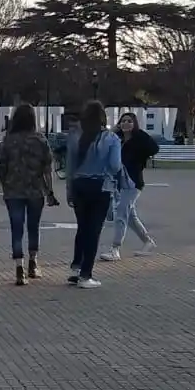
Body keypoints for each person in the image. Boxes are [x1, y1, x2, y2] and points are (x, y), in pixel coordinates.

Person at [0, 103, 57, 285]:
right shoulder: (40, 140)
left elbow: (2, 169)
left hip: (13, 190)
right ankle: (33, 263)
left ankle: (18, 268)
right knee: (33, 227)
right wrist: (50, 191)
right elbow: (47, 169)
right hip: (35, 190)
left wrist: (4, 188)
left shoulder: (8, 141)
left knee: (16, 229)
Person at [65, 99, 123, 288]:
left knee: (82, 227)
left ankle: (77, 266)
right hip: (100, 185)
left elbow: (70, 166)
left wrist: (70, 190)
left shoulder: (75, 136)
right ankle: (86, 274)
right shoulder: (111, 139)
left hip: (79, 184)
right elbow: (115, 166)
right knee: (93, 230)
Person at [99, 111, 159, 261]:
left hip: (133, 183)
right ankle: (148, 242)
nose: (126, 124)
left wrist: (143, 155)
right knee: (130, 216)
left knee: (121, 213)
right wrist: (113, 130)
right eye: (123, 121)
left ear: (135, 124)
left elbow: (154, 148)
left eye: (129, 121)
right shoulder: (117, 139)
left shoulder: (139, 138)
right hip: (120, 183)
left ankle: (115, 249)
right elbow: (103, 143)